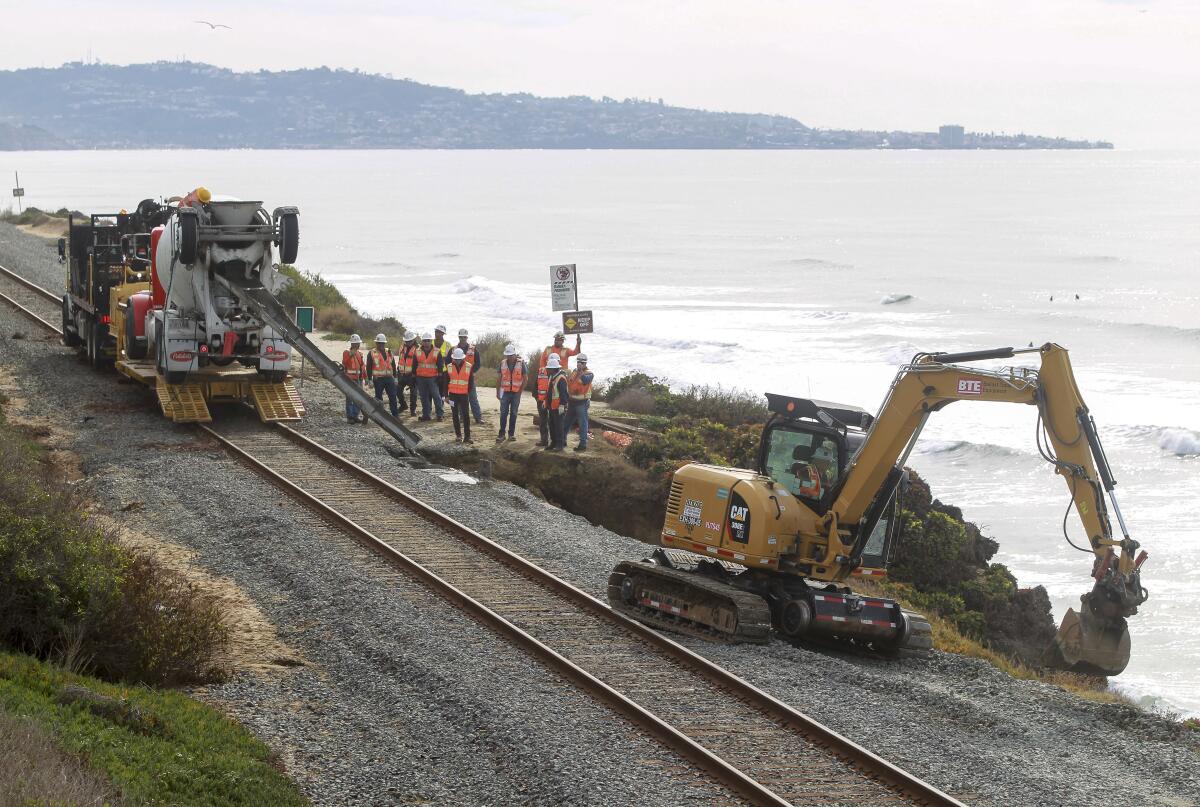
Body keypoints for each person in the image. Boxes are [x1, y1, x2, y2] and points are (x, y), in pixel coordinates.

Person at [536, 331, 581, 446]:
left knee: (558, 421)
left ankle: (559, 443)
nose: (558, 341)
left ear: (563, 341)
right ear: (554, 339)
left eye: (560, 340)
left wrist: (578, 343)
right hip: (548, 383)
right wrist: (544, 371)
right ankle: (550, 441)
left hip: (559, 379)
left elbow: (576, 352)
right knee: (550, 421)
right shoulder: (548, 350)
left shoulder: (565, 351)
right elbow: (541, 362)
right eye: (557, 339)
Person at [562, 354, 594, 451]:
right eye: (578, 362)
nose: (579, 364)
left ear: (585, 363)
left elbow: (585, 381)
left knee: (582, 424)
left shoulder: (589, 373)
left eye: (581, 363)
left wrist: (580, 371)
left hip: (582, 403)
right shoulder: (574, 372)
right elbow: (570, 383)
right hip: (572, 402)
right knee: (566, 422)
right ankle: (562, 440)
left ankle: (582, 445)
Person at [496, 343, 525, 442]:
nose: (509, 357)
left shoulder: (521, 363)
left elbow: (526, 378)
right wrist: (498, 392)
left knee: (514, 413)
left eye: (511, 355)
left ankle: (511, 434)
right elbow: (499, 379)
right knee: (503, 413)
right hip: (505, 392)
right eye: (508, 355)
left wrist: (520, 391)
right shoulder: (502, 363)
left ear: (514, 354)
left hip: (516, 393)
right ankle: (501, 434)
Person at [540, 353, 569, 451]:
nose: (547, 370)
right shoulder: (552, 377)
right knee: (551, 425)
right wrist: (545, 402)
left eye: (549, 368)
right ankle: (553, 443)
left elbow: (564, 394)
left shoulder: (561, 378)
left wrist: (562, 405)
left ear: (554, 369)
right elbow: (549, 392)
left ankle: (559, 445)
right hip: (552, 407)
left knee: (559, 426)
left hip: (558, 407)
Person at [455, 328, 484, 424]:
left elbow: (478, 363)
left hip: (469, 378)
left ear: (466, 337)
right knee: (460, 399)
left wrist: (471, 372)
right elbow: (449, 362)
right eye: (461, 337)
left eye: (464, 337)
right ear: (459, 337)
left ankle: (478, 417)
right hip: (458, 378)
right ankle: (462, 417)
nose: (462, 339)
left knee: (473, 398)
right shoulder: (454, 349)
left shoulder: (473, 349)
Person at [414, 332, 445, 421]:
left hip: (433, 378)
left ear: (431, 341)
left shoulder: (437, 351)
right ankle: (426, 415)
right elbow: (414, 364)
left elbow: (440, 365)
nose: (426, 342)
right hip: (421, 378)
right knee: (424, 397)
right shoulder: (417, 351)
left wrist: (440, 376)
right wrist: (413, 377)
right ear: (422, 342)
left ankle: (440, 415)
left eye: (428, 341)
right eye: (425, 341)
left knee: (436, 396)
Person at [444, 347, 474, 443]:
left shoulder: (469, 366)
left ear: (462, 358)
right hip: (452, 395)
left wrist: (467, 392)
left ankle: (467, 437)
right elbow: (445, 383)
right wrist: (446, 396)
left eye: (459, 359)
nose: (457, 361)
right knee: (455, 415)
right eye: (455, 359)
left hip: (464, 395)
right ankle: (458, 436)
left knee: (465, 415)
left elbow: (471, 382)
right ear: (453, 358)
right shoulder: (448, 367)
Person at [366, 333, 399, 417]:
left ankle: (395, 415)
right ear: (376, 343)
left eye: (382, 343)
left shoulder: (389, 352)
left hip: (389, 378)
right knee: (378, 398)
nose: (380, 345)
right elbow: (368, 367)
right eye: (379, 343)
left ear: (384, 343)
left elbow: (393, 365)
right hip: (378, 379)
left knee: (393, 396)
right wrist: (369, 379)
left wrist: (395, 377)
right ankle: (381, 416)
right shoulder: (372, 353)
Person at [341, 334, 368, 424]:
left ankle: (355, 415)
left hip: (359, 379)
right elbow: (344, 363)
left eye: (358, 343)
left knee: (358, 398)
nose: (358, 345)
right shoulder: (346, 352)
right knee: (350, 398)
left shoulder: (359, 354)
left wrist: (366, 378)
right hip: (349, 379)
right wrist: (349, 355)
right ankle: (350, 417)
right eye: (356, 343)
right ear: (352, 344)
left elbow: (362, 367)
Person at [395, 331, 419, 416]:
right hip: (402, 374)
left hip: (412, 375)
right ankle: (403, 405)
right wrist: (398, 371)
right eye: (407, 341)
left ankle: (413, 410)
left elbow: (419, 363)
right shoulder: (402, 347)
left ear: (413, 340)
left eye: (410, 341)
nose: (408, 342)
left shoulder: (418, 349)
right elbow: (400, 360)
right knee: (398, 391)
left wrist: (415, 375)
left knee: (413, 393)